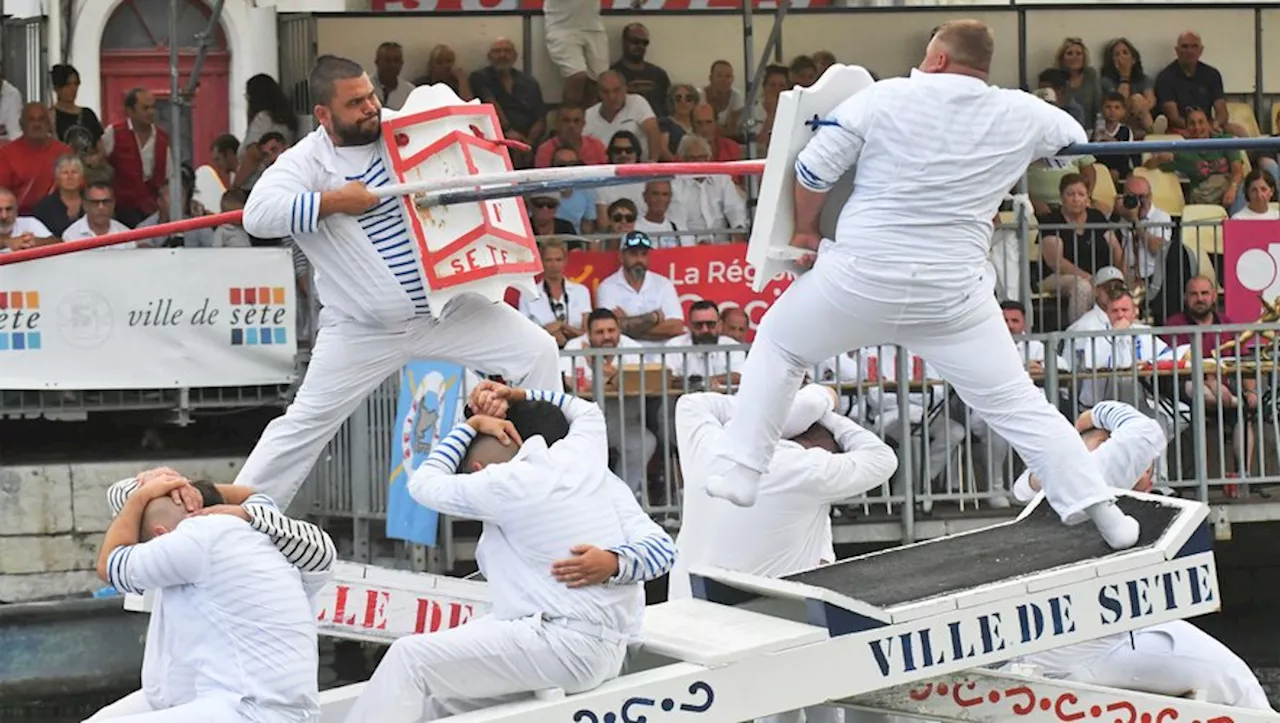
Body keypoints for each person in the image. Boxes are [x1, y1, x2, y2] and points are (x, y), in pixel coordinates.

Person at [706, 19, 1141, 551]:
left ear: (935, 59)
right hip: (951, 295)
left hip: (864, 276)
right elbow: (1071, 145)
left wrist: (802, 231)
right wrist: (1019, 148)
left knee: (778, 343)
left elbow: (814, 171)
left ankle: (746, 467)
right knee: (1017, 403)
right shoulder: (1022, 111)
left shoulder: (884, 98)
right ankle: (1098, 506)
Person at [240, 55, 562, 508]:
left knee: (538, 352)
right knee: (302, 426)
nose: (371, 106)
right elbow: (257, 216)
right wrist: (333, 201)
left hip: (445, 308)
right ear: (324, 115)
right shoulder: (305, 162)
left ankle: (544, 480)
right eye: (356, 103)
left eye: (371, 95)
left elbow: (463, 143)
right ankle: (231, 523)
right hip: (360, 328)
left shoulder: (409, 126)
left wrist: (479, 149)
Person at [343, 382, 657, 721]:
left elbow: (422, 484)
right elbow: (587, 410)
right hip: (586, 644)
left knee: (409, 657)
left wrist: (471, 427)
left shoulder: (502, 484)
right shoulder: (580, 454)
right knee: (440, 706)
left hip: (565, 645)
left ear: (476, 471)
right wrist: (517, 394)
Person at [1009, 401, 1271, 712]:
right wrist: (1093, 415)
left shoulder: (1041, 483)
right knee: (1235, 680)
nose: (1146, 470)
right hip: (1095, 648)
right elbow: (1146, 430)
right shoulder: (1094, 470)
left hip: (1049, 644)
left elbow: (1020, 488)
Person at [93, 469, 330, 722]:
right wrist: (186, 487)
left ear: (161, 537)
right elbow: (255, 495)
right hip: (262, 703)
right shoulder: (251, 522)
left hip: (251, 709)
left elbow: (109, 565)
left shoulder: (192, 539)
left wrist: (142, 498)